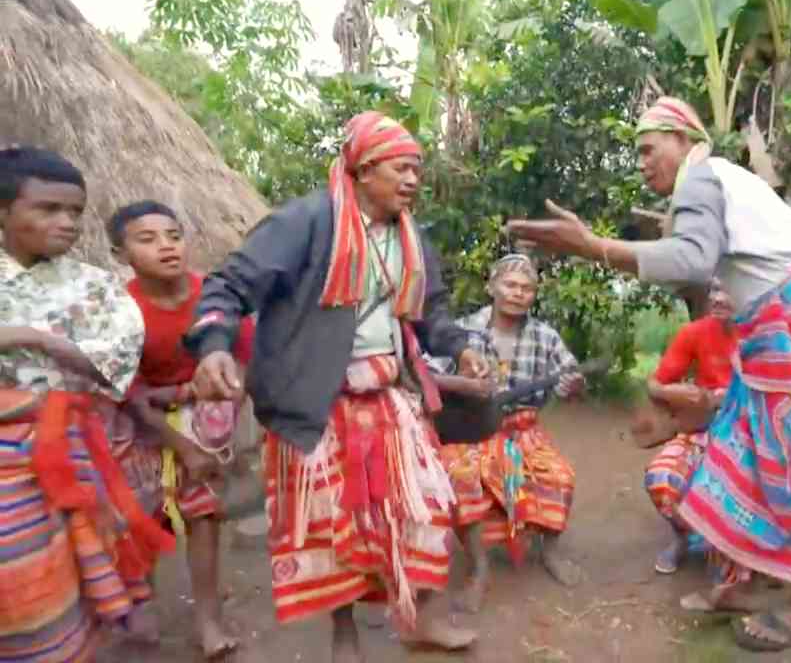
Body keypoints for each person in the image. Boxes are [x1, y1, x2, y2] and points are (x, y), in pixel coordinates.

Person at [507, 97, 791, 652]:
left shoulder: (700, 179)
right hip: (785, 331)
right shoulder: (715, 181)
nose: (643, 162)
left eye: (649, 149)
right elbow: (703, 253)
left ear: (682, 138)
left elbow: (694, 261)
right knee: (746, 454)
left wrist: (593, 247)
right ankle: (751, 580)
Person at [184, 112, 487, 661]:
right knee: (330, 527)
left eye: (418, 169)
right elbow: (228, 285)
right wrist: (214, 346)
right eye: (402, 168)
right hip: (315, 403)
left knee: (424, 509)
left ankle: (421, 620)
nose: (414, 180)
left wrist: (461, 346)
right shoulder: (305, 222)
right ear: (363, 169)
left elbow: (430, 313)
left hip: (391, 401)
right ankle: (343, 640)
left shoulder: (411, 236)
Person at [0, 147, 175, 661]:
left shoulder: (96, 287)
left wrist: (33, 337)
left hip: (77, 445)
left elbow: (116, 366)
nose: (67, 223)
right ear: (4, 211)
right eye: (48, 209)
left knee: (78, 572)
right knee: (18, 569)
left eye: (75, 212)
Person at [108, 200, 255, 658]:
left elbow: (243, 361)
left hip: (206, 416)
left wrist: (219, 405)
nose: (166, 247)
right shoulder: (119, 311)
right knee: (141, 518)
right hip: (138, 422)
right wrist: (181, 441)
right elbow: (125, 393)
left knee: (203, 514)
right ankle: (141, 605)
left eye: (173, 235)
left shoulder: (213, 297)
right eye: (147, 239)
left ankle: (207, 620)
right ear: (120, 253)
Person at [435, 253, 586, 614]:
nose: (519, 293)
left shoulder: (545, 336)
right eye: (511, 284)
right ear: (492, 286)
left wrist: (573, 386)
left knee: (559, 475)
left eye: (527, 288)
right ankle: (479, 568)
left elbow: (571, 380)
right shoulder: (463, 331)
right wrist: (463, 385)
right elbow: (427, 374)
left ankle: (549, 553)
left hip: (523, 428)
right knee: (460, 476)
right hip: (471, 430)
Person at [643, 277, 735, 575]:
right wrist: (675, 393)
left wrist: (729, 398)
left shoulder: (768, 338)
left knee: (743, 485)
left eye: (729, 290)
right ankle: (684, 538)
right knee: (662, 477)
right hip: (702, 430)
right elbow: (654, 385)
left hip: (753, 435)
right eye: (715, 290)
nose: (718, 298)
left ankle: (739, 553)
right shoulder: (695, 332)